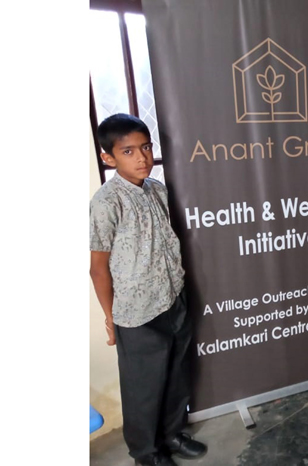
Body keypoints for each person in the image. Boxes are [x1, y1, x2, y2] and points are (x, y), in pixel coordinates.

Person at [90, 114, 207, 466]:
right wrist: (111, 318)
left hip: (173, 297)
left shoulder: (157, 189)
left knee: (176, 376)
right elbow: (98, 268)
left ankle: (172, 434)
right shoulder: (106, 203)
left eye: (145, 147)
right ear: (108, 157)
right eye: (128, 151)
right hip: (137, 314)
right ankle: (146, 452)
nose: (141, 157)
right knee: (144, 388)